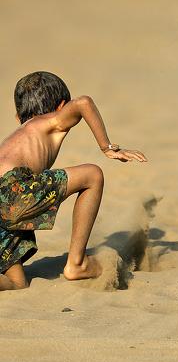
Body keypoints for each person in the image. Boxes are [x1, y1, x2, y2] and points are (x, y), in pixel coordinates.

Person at [0, 71, 147, 290]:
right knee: (93, 174)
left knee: (17, 282)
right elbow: (83, 103)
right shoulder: (53, 120)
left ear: (18, 115)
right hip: (14, 190)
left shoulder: (16, 135)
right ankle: (77, 264)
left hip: (4, 202)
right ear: (61, 106)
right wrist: (106, 148)